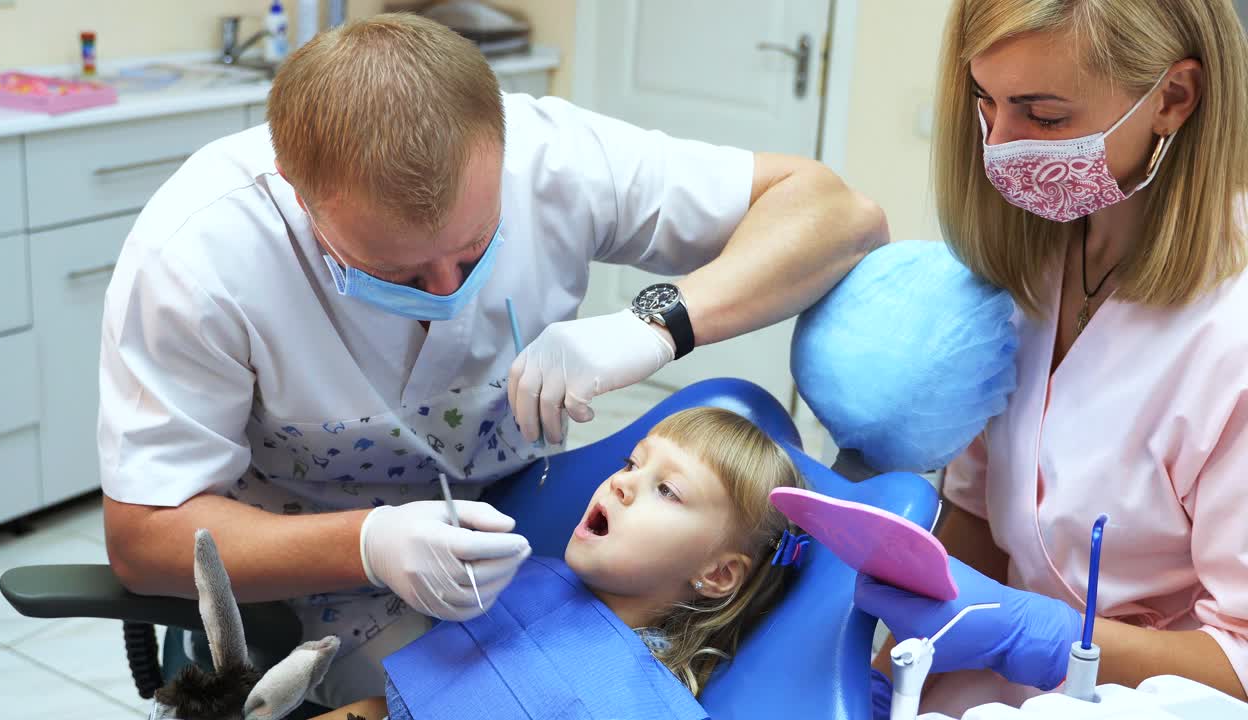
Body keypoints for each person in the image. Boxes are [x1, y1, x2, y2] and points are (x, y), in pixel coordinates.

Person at [98, 12, 887, 707]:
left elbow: (836, 213)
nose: (448, 290)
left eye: (476, 249)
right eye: (400, 274)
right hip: (313, 583)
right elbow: (144, 536)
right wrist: (371, 543)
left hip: (525, 543)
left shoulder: (557, 158)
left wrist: (657, 322)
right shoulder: (199, 256)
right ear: (303, 201)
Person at [855, 0, 1248, 714]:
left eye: (1043, 115)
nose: (1000, 142)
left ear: (1173, 98)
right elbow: (976, 514)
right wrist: (887, 671)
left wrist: (1043, 635)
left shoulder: (1232, 334)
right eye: (986, 101)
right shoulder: (1034, 259)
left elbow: (1243, 660)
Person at [303, 407, 807, 720]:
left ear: (718, 574)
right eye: (633, 462)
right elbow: (394, 706)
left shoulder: (641, 701)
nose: (622, 482)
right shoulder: (532, 581)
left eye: (667, 490)